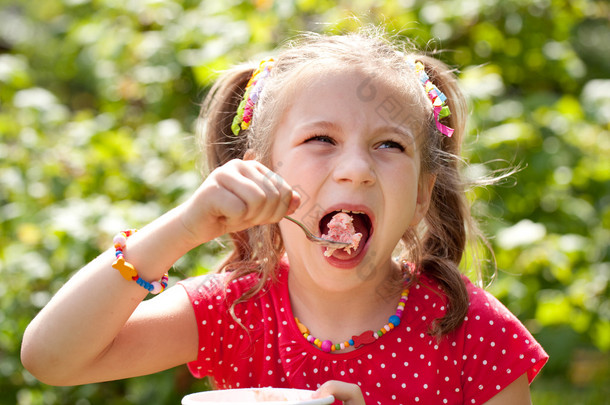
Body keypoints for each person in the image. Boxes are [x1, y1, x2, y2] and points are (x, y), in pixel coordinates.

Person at [21, 27, 548, 404]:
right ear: (263, 173)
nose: (356, 169)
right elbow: (53, 359)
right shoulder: (233, 312)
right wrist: (183, 227)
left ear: (419, 197)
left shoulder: (474, 334)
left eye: (389, 145)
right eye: (322, 139)